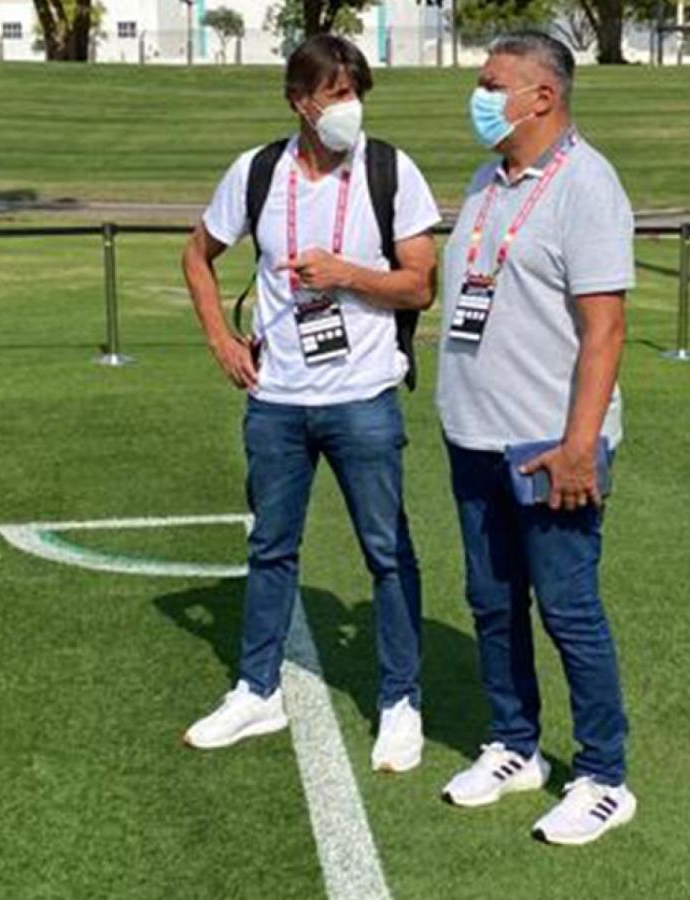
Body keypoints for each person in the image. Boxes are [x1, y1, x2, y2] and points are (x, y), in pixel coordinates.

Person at [180, 34, 442, 774]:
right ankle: (256, 690)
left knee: (388, 553)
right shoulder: (257, 171)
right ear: (300, 102)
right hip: (277, 401)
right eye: (335, 94)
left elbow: (421, 283)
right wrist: (220, 340)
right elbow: (197, 255)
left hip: (363, 396)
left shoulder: (391, 171)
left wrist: (347, 273)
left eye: (357, 92)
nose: (349, 108)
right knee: (269, 547)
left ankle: (400, 701)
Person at [435, 31, 637, 845]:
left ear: (541, 97)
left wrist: (580, 443)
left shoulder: (587, 186)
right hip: (474, 436)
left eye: (491, 83)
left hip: (548, 445)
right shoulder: (490, 179)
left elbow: (606, 329)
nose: (479, 96)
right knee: (490, 603)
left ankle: (603, 775)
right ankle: (516, 746)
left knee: (569, 609)